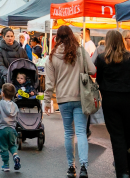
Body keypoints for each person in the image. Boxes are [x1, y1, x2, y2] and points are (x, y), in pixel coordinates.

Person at [44, 25, 95, 178]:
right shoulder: (80, 51)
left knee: (68, 133)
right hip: (80, 97)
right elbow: (92, 70)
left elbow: (49, 83)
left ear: (57, 38)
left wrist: (47, 102)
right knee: (81, 133)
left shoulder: (52, 57)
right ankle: (84, 167)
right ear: (72, 36)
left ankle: (70, 167)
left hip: (63, 99)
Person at [95, 30, 130, 178]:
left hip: (110, 101)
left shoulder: (102, 58)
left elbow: (99, 80)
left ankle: (122, 171)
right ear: (121, 40)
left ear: (108, 41)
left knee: (117, 137)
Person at [0, 83, 21, 172]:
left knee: (3, 147)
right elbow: (17, 117)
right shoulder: (15, 106)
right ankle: (15, 155)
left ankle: (6, 165)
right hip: (12, 129)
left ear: (3, 93)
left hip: (2, 130)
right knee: (12, 145)